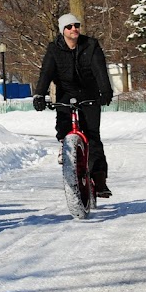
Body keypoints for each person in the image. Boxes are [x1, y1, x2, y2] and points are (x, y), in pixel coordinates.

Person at [33, 13, 114, 197]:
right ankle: (66, 147)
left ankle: (99, 181)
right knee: (64, 127)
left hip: (89, 94)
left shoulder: (91, 45)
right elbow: (46, 72)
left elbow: (100, 70)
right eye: (69, 27)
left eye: (76, 25)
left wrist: (105, 91)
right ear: (63, 30)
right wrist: (39, 94)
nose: (74, 29)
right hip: (65, 94)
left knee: (92, 137)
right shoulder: (54, 49)